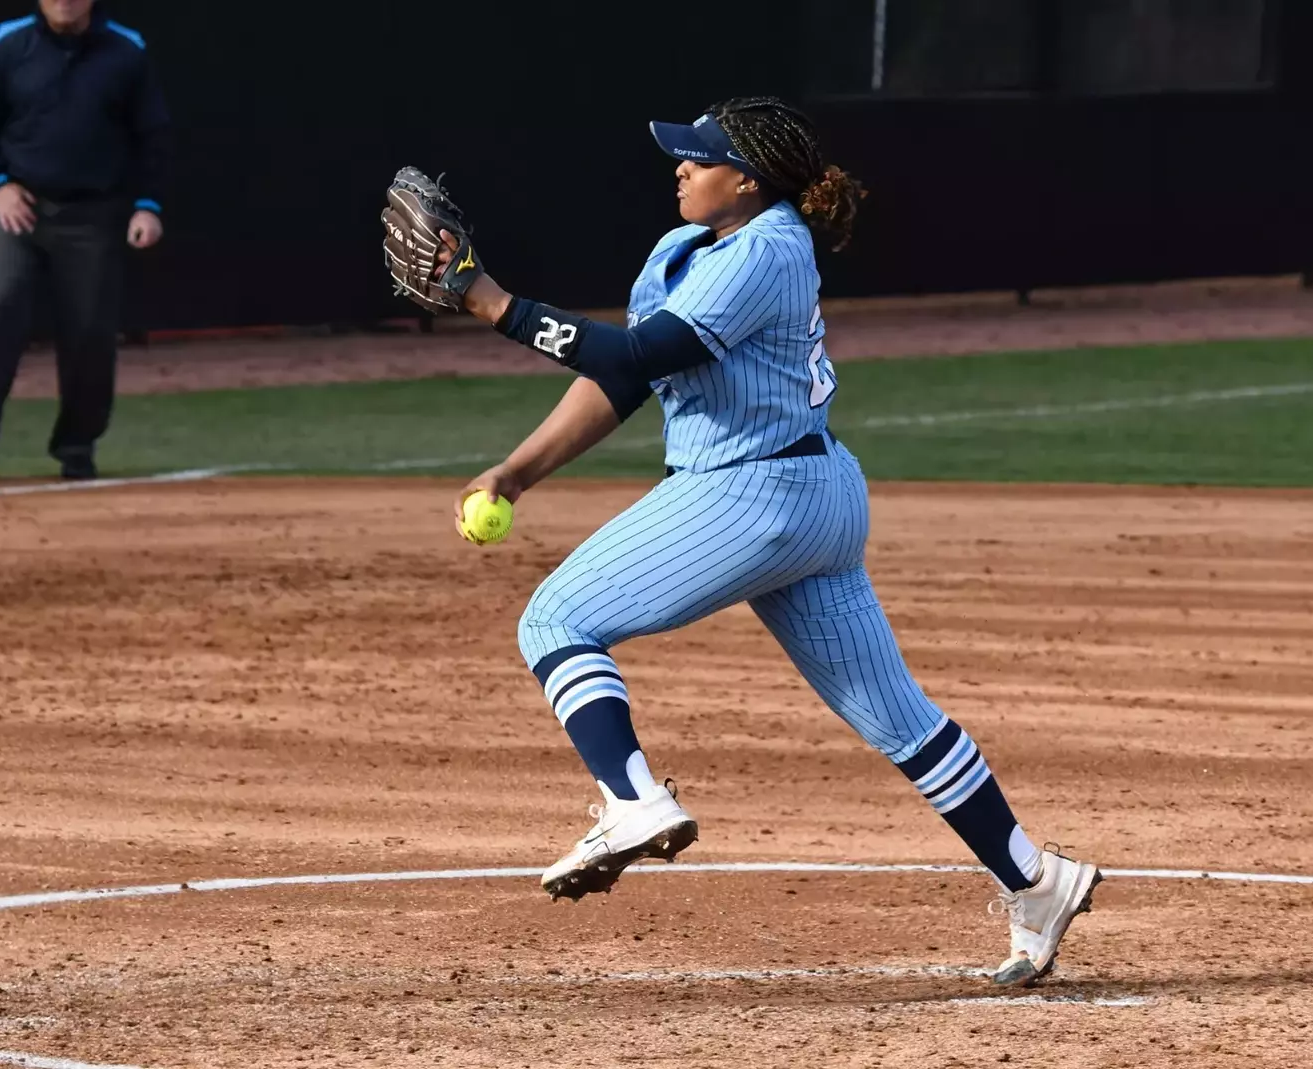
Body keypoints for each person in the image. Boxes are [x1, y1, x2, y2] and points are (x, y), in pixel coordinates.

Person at [437, 97, 1101, 987]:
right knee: (897, 717)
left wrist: (490, 302)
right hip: (812, 494)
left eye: (696, 158)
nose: (678, 168)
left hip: (756, 493)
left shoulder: (771, 248)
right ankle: (1036, 877)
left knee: (555, 619)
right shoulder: (682, 252)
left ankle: (632, 799)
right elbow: (622, 376)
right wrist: (516, 473)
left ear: (745, 178)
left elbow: (640, 356)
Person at [0, 0, 169, 480]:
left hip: (94, 214)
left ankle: (76, 447)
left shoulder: (126, 51)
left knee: (89, 332)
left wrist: (147, 205)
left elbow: (151, 137)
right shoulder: (9, 43)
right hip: (22, 211)